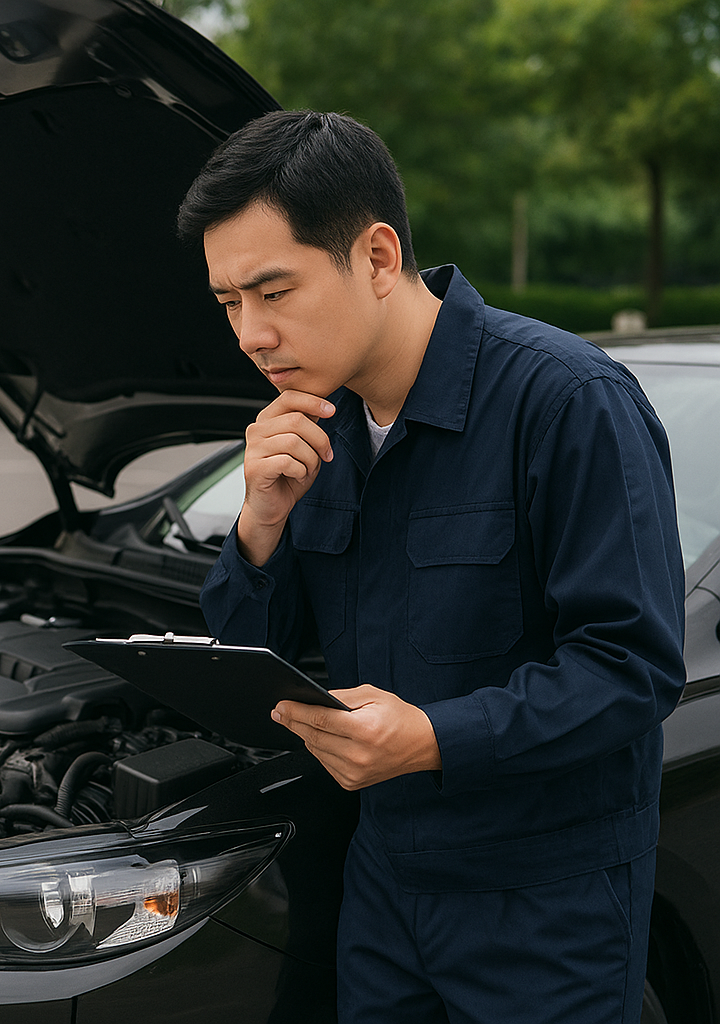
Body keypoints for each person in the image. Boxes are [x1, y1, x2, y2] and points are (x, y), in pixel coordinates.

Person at [177, 110, 686, 1024]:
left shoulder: (569, 402)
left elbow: (631, 669)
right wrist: (258, 525)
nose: (250, 334)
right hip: (384, 884)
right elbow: (245, 666)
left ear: (376, 257)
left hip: (547, 904)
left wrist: (434, 737)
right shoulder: (314, 432)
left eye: (273, 291)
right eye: (229, 303)